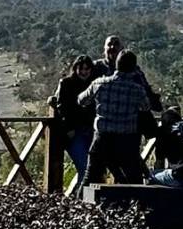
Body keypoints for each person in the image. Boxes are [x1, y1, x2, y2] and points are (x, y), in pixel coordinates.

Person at [77, 49, 149, 184]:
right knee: (134, 179)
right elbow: (145, 107)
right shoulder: (137, 90)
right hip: (126, 140)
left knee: (90, 176)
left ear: (117, 64)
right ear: (133, 68)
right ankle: (133, 198)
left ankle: (79, 198)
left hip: (102, 138)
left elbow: (81, 100)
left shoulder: (100, 83)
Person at [48, 55, 96, 183]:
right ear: (75, 69)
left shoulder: (95, 84)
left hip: (91, 131)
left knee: (92, 168)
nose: (84, 72)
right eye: (81, 69)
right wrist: (69, 128)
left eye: (87, 69)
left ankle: (81, 193)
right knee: (84, 166)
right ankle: (81, 194)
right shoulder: (66, 83)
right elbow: (62, 108)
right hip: (74, 132)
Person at [93, 34, 162, 112]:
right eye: (109, 44)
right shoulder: (96, 67)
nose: (112, 47)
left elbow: (145, 89)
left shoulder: (133, 69)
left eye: (116, 44)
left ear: (122, 49)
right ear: (104, 48)